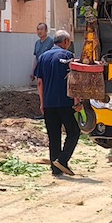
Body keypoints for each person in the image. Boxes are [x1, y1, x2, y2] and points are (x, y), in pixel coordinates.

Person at [34, 29, 81, 177]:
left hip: (48, 104)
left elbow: (39, 82)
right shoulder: (68, 56)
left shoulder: (43, 57)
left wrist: (42, 103)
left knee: (54, 136)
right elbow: (73, 81)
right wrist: (77, 101)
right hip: (65, 103)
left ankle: (56, 169)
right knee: (74, 132)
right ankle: (62, 160)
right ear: (66, 42)